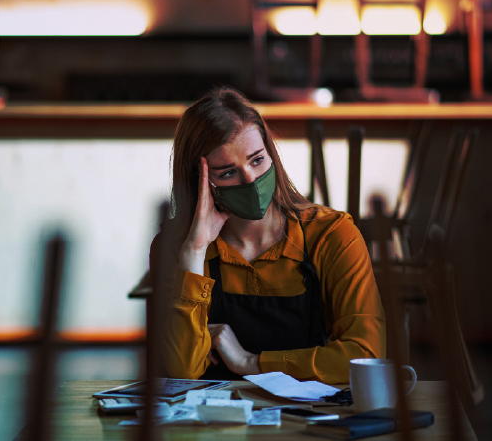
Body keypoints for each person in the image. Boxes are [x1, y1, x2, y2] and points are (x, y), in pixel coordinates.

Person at [149, 87, 385, 384]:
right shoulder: (174, 248)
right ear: (201, 182)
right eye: (227, 172)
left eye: (257, 160)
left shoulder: (333, 235)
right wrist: (194, 252)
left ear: (272, 156)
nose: (251, 180)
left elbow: (366, 355)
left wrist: (251, 362)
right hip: (216, 425)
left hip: (309, 422)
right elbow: (181, 371)